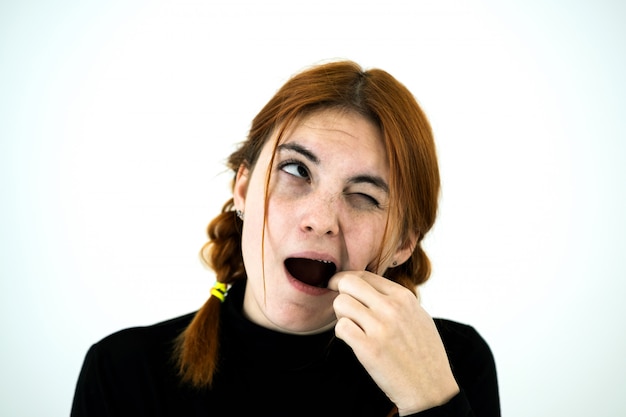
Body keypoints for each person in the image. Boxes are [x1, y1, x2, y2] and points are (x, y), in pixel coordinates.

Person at [71, 60, 500, 417]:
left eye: (365, 196)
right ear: (242, 188)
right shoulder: (124, 372)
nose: (320, 220)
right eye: (296, 170)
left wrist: (431, 403)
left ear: (405, 242)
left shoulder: (453, 366)